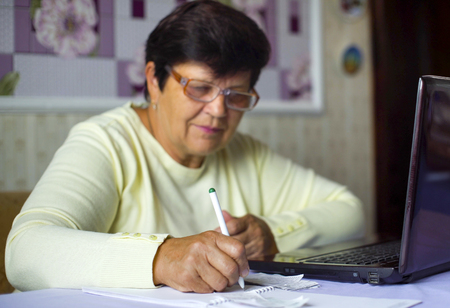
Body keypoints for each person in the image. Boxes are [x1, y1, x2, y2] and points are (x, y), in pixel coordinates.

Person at [5, 0, 364, 294]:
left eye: (235, 94)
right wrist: (160, 257)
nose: (219, 111)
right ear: (153, 81)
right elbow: (25, 254)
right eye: (199, 88)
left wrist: (271, 234)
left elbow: (351, 211)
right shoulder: (107, 142)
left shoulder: (244, 152)